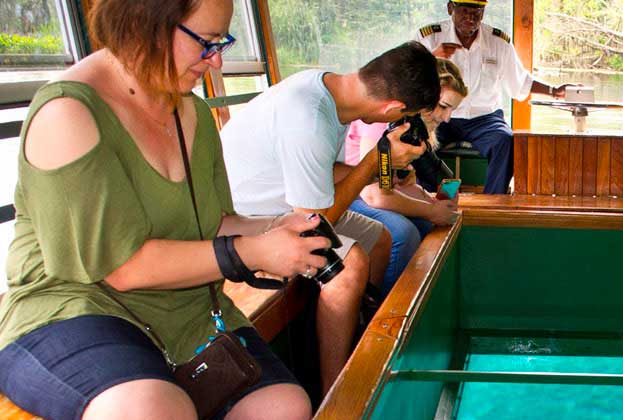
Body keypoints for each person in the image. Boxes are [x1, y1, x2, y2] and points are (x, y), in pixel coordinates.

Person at [0, 1, 314, 420]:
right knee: (154, 414)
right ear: (143, 22)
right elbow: (122, 265)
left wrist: (281, 228)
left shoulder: (191, 111)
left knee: (283, 415)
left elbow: (212, 225)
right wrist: (251, 253)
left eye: (223, 43)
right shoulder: (69, 113)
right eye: (206, 42)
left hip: (180, 308)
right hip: (71, 309)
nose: (216, 61)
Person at [221, 41, 439, 394]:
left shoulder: (331, 93)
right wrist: (373, 162)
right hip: (247, 215)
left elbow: (327, 172)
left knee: (379, 239)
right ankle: (334, 391)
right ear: (393, 107)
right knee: (349, 267)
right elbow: (314, 221)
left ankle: (355, 341)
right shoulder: (308, 118)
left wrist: (384, 169)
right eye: (400, 116)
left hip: (289, 203)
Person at [417, 0, 576, 194]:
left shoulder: (498, 42)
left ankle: (492, 202)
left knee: (506, 140)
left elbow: (520, 82)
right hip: (439, 114)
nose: (470, 17)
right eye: (464, 11)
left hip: (484, 119)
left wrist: (554, 91)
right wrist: (432, 58)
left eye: (477, 12)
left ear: (483, 13)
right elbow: (409, 77)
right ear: (451, 8)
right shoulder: (430, 38)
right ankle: (432, 200)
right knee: (418, 138)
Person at [342, 57, 467, 292]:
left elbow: (423, 180)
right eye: (443, 106)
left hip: (380, 191)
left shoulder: (415, 128)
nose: (447, 118)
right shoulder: (382, 122)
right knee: (403, 233)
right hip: (351, 196)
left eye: (452, 110)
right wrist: (431, 209)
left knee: (430, 223)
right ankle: (386, 309)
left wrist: (439, 199)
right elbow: (375, 195)